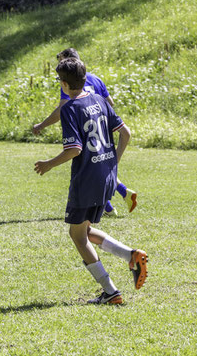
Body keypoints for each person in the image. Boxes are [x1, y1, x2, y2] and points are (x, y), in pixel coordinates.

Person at [34, 58, 148, 305]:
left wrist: (49, 164)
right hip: (106, 177)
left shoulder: (69, 109)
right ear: (86, 78)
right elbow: (125, 133)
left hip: (86, 180)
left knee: (77, 236)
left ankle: (111, 292)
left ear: (64, 84)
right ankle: (131, 255)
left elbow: (74, 149)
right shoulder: (99, 99)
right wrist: (112, 162)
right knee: (84, 229)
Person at [31, 48, 138, 217]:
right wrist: (100, 115)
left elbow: (63, 115)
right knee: (100, 167)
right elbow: (110, 103)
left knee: (79, 234)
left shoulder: (69, 97)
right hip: (102, 135)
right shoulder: (95, 84)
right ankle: (113, 202)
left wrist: (42, 127)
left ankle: (110, 204)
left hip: (86, 156)